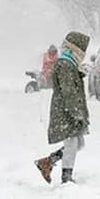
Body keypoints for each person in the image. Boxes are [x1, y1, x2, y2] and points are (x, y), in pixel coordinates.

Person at [34, 31, 90, 184]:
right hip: (65, 111)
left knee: (79, 144)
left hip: (67, 110)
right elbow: (68, 92)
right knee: (72, 143)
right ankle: (66, 178)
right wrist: (76, 114)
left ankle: (48, 161)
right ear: (76, 50)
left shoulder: (69, 64)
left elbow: (69, 84)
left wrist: (78, 74)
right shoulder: (65, 64)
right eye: (83, 51)